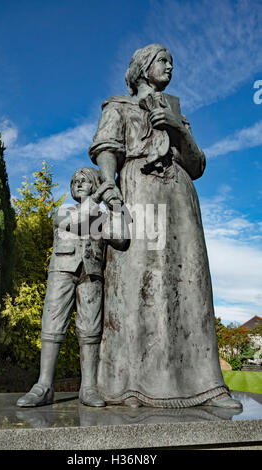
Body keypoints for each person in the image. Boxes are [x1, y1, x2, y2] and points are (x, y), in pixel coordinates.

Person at [89, 44, 241, 409]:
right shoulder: (118, 106)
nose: (170, 66)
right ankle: (131, 386)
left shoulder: (176, 112)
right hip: (138, 191)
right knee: (139, 280)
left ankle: (207, 384)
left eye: (172, 61)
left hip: (180, 198)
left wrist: (178, 129)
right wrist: (111, 192)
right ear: (143, 67)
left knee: (191, 282)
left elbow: (197, 164)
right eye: (163, 60)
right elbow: (107, 149)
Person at [17, 167, 130, 408]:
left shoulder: (103, 216)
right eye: (75, 181)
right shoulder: (63, 212)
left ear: (94, 183)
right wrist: (97, 198)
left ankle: (88, 387)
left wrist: (117, 205)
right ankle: (44, 385)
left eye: (85, 181)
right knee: (53, 323)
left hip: (91, 272)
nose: (79, 184)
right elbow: (73, 223)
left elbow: (121, 238)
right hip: (62, 269)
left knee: (90, 328)